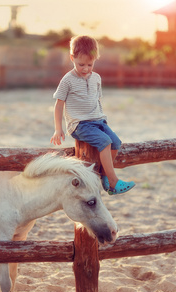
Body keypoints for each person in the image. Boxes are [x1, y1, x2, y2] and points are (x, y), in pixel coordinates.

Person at [50, 35, 135, 195]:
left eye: (90, 64)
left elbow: (97, 100)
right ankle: (113, 182)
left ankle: (104, 176)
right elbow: (59, 104)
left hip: (98, 121)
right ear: (72, 58)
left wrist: (102, 119)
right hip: (80, 125)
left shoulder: (96, 78)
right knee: (104, 142)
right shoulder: (67, 80)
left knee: (115, 142)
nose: (86, 69)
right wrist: (57, 129)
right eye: (81, 64)